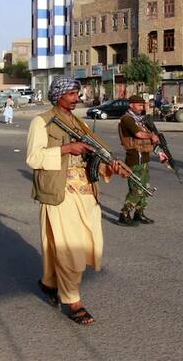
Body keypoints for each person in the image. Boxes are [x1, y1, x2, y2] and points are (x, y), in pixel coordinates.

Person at [26, 76, 131, 325]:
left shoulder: (80, 124)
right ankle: (73, 301)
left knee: (80, 244)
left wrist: (114, 166)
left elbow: (100, 154)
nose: (76, 99)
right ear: (58, 95)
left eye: (77, 94)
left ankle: (49, 283)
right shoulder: (40, 122)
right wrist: (65, 149)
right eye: (72, 94)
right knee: (68, 249)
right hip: (60, 195)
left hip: (87, 194)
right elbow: (33, 158)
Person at [117, 95, 168, 225]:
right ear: (131, 105)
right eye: (139, 105)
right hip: (134, 158)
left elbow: (149, 141)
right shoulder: (127, 119)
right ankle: (124, 214)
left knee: (144, 188)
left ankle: (139, 213)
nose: (142, 108)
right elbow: (139, 135)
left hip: (144, 158)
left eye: (143, 105)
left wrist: (160, 153)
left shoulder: (140, 120)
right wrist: (152, 135)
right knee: (137, 189)